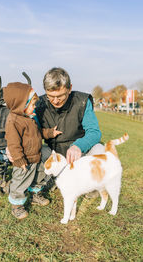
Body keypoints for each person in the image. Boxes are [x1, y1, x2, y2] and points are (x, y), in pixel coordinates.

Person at [36, 67, 104, 197]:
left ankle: (90, 186)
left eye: (60, 96)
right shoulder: (38, 104)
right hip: (53, 155)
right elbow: (30, 133)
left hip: (79, 155)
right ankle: (48, 180)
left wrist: (78, 146)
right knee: (35, 149)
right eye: (50, 96)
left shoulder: (83, 101)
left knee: (100, 148)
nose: (55, 101)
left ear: (69, 88)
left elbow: (95, 132)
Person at [3, 82, 54, 220]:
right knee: (20, 181)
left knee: (39, 175)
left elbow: (37, 133)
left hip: (36, 156)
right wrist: (19, 159)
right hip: (24, 159)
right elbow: (13, 143)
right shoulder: (13, 121)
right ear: (21, 105)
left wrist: (49, 133)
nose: (34, 107)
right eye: (32, 104)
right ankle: (17, 206)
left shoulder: (29, 118)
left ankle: (36, 195)